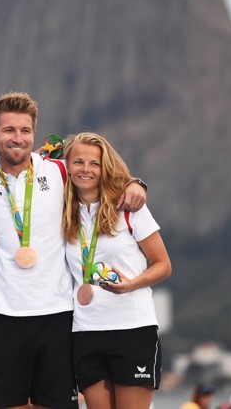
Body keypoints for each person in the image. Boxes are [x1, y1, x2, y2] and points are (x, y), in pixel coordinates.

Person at [0, 92, 147, 409]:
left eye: (25, 130)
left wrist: (136, 183)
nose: (18, 138)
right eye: (9, 130)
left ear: (34, 133)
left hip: (55, 315)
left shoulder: (57, 170)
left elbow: (99, 171)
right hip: (0, 314)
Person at [62, 132, 171, 409]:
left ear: (105, 167)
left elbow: (163, 265)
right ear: (67, 166)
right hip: (85, 331)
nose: (86, 169)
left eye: (94, 163)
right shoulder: (62, 212)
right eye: (78, 162)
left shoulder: (129, 208)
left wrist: (131, 284)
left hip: (131, 329)